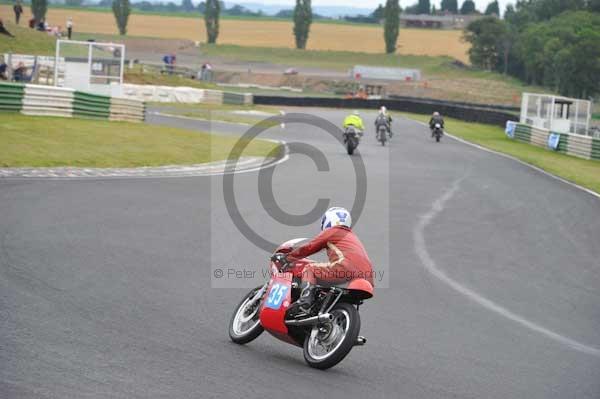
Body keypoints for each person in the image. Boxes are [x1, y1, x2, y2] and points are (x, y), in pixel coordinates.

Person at [273, 207, 375, 314]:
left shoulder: (333, 231)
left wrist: (288, 257)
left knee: (310, 268)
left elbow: (310, 247)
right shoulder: (353, 237)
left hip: (345, 268)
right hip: (367, 277)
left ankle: (305, 301)